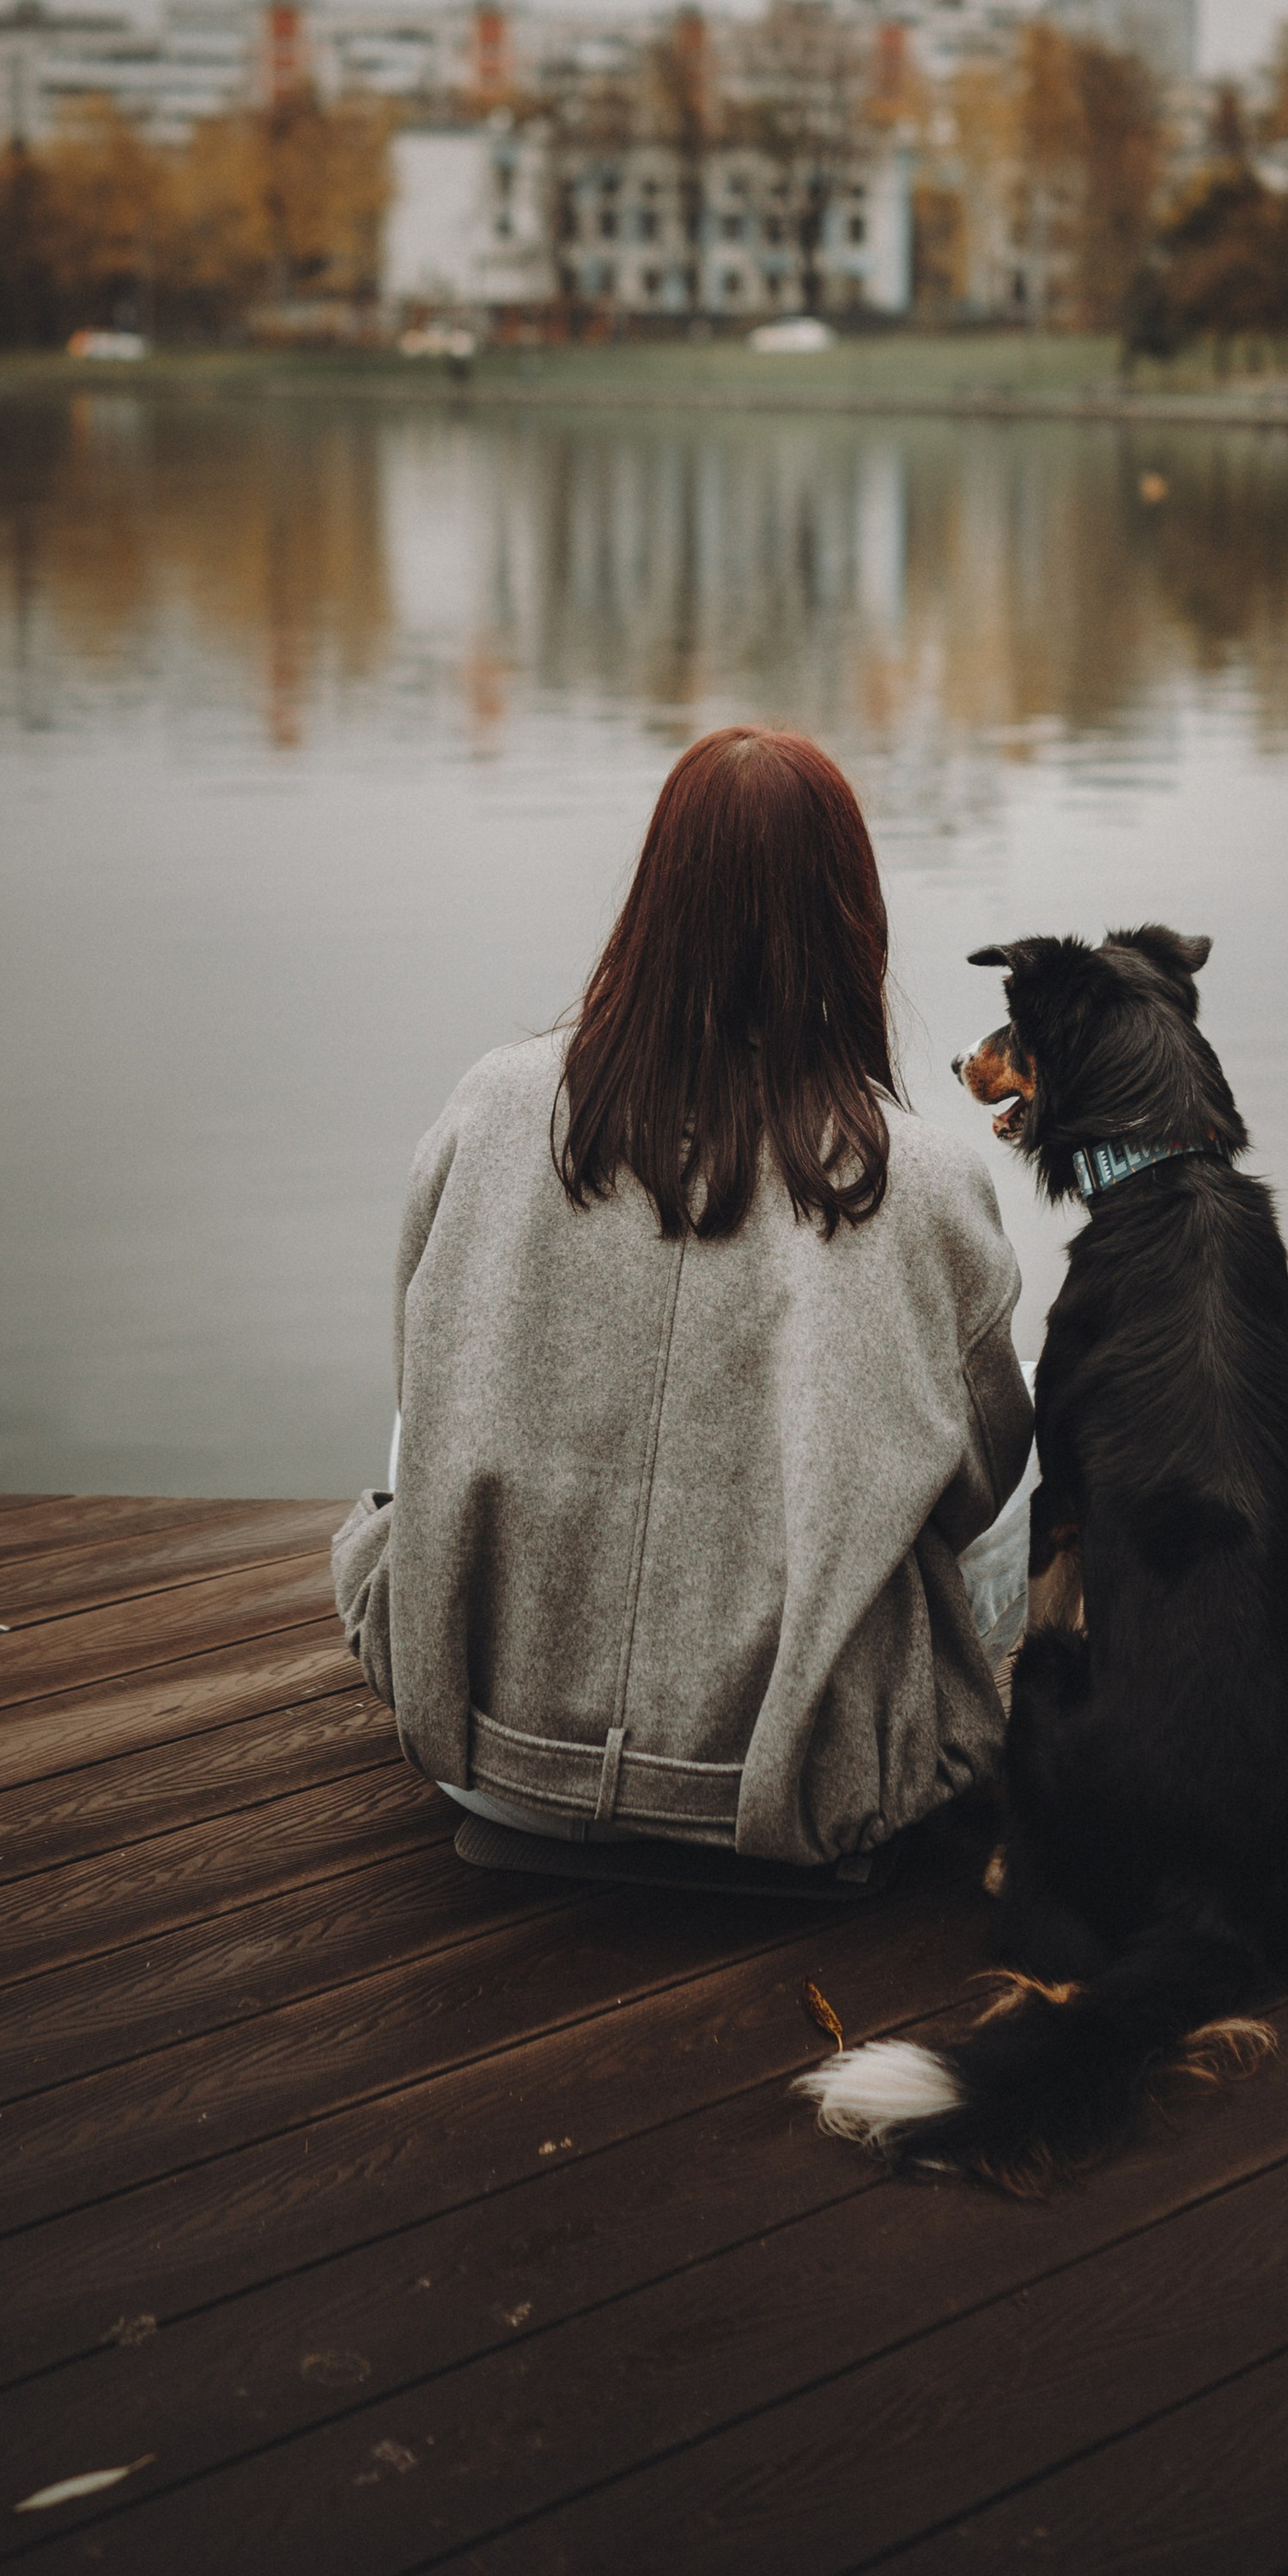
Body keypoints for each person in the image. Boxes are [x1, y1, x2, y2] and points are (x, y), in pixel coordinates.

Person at [330, 726, 1033, 1880]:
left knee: (441, 1383)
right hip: (803, 1778)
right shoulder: (920, 1178)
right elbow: (979, 1484)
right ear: (849, 922)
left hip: (485, 1754)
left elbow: (424, 1387)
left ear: (653, 899)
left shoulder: (494, 1102)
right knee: (1047, 1415)